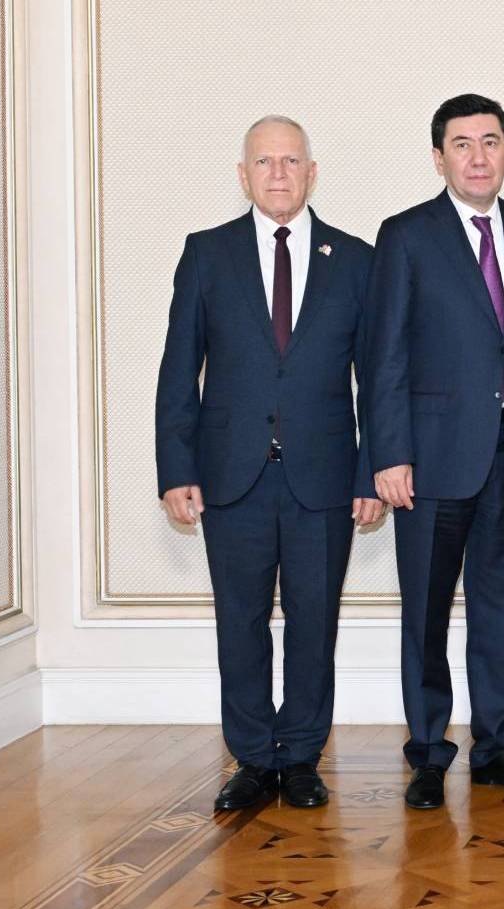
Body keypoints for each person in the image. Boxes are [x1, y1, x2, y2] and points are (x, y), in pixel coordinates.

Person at [155, 116, 382, 811]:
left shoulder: (355, 258)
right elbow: (178, 369)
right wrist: (176, 468)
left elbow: (376, 378)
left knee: (315, 623)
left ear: (312, 172)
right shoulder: (207, 253)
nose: (278, 174)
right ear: (243, 175)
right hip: (231, 476)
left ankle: (302, 756)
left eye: (290, 161)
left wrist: (371, 471)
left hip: (325, 477)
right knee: (241, 622)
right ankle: (253, 758)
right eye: (264, 161)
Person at [362, 94, 504, 809]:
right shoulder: (406, 235)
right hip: (430, 460)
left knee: (498, 608)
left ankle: (499, 747)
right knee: (427, 612)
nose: (479, 157)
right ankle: (427, 751)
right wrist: (388, 453)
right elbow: (383, 352)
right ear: (439, 157)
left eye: (491, 142)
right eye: (462, 144)